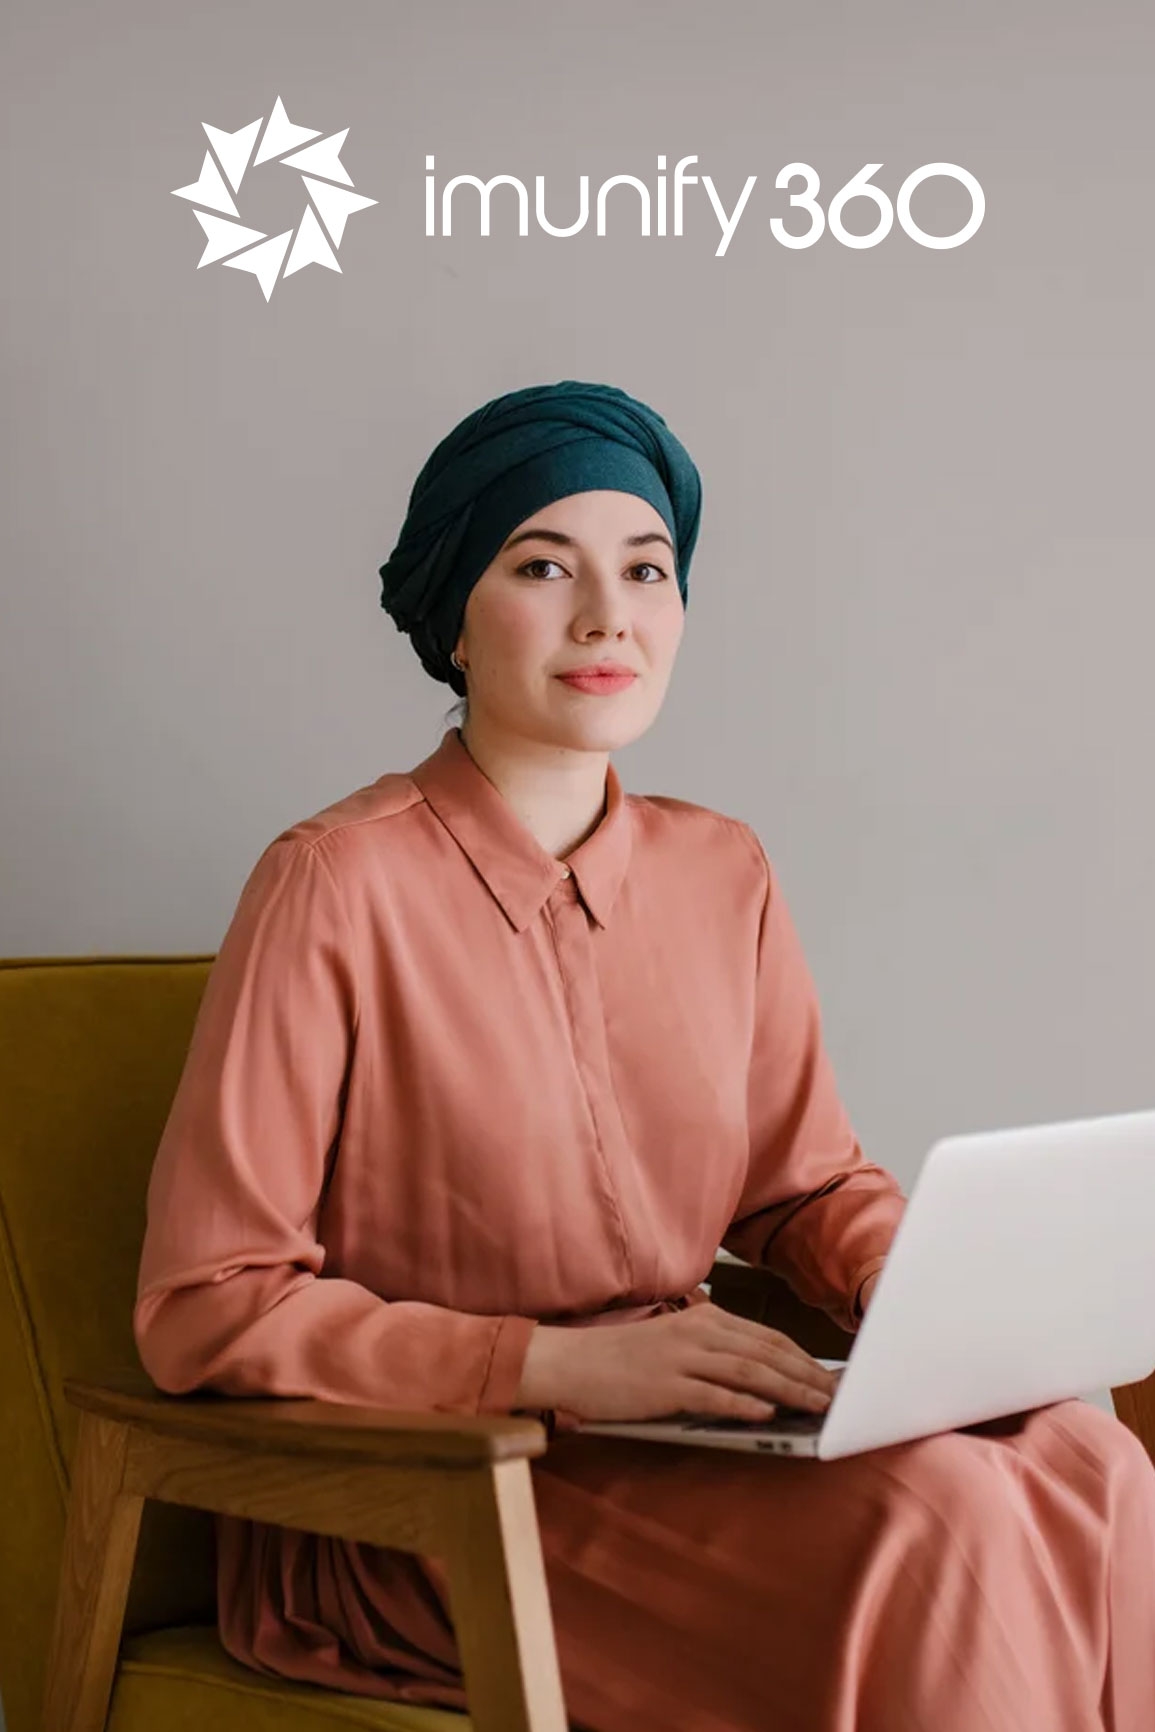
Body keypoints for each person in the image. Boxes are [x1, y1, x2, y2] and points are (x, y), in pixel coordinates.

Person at [133, 380, 1155, 1732]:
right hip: (441, 1489)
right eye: (542, 564)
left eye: (647, 569)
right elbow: (209, 1302)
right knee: (944, 1514)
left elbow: (799, 1186)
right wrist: (551, 1370)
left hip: (692, 1430)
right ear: (454, 613)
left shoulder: (721, 870)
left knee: (1092, 1462)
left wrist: (923, 1288)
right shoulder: (333, 884)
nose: (608, 615)